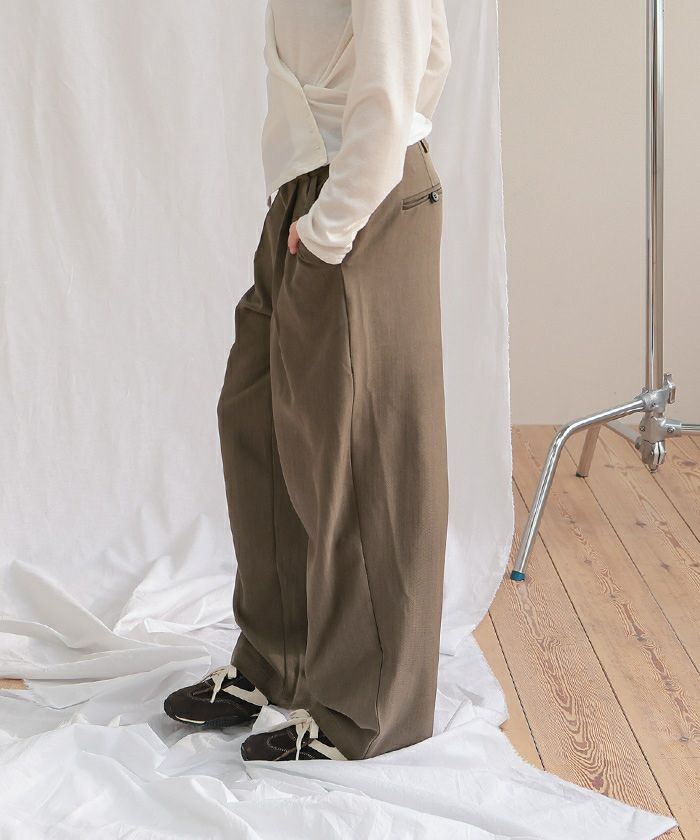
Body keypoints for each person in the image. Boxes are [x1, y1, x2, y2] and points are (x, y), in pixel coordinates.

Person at [164, 0, 452, 762]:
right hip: (307, 191)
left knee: (359, 457)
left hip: (358, 198)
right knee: (256, 416)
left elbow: (408, 68)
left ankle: (366, 708)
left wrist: (340, 212)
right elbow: (430, 53)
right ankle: (277, 661)